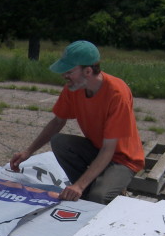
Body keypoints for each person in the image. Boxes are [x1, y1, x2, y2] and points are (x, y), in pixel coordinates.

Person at [10, 41, 144, 203]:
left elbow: (109, 149)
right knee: (60, 141)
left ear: (88, 71)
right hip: (97, 149)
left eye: (69, 71)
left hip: (123, 159)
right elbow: (57, 122)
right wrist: (28, 152)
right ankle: (87, 189)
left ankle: (94, 189)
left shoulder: (117, 94)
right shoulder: (74, 88)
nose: (64, 76)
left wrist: (78, 186)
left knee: (98, 197)